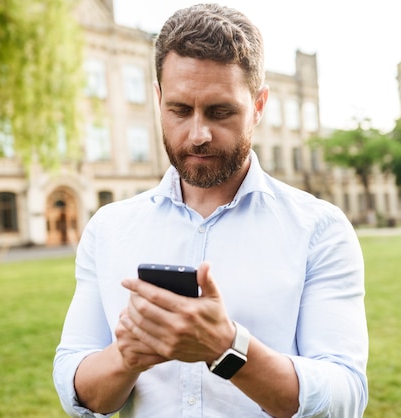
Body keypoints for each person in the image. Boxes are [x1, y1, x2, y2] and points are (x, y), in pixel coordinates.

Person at [53, 3, 368, 417]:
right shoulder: (109, 229)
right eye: (180, 110)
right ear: (158, 97)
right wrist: (128, 356)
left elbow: (344, 398)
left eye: (220, 112)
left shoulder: (320, 229)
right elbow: (77, 392)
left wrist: (227, 348)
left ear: (258, 105)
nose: (198, 134)